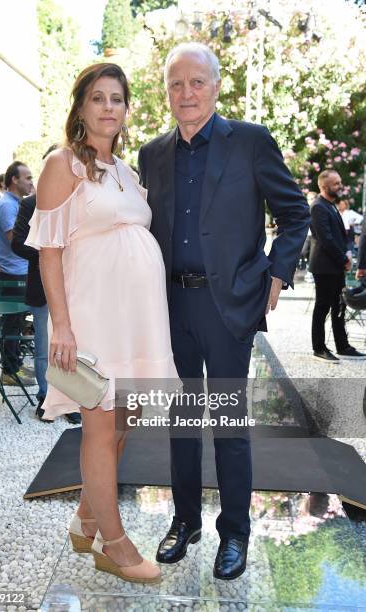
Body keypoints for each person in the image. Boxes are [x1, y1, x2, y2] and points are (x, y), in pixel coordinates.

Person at [138, 42, 310, 581]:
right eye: (175, 84)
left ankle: (234, 530)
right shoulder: (151, 154)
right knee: (182, 421)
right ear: (165, 91)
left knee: (230, 425)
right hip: (171, 305)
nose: (185, 94)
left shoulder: (252, 143)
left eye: (196, 83)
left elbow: (294, 212)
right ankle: (185, 520)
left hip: (230, 306)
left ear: (216, 86)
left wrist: (277, 274)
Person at [26, 63, 179, 584]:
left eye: (117, 98)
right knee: (99, 424)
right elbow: (50, 255)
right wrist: (62, 327)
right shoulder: (61, 164)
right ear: (81, 107)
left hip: (137, 320)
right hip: (91, 317)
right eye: (98, 98)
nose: (109, 107)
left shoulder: (125, 171)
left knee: (126, 418)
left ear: (126, 108)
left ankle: (86, 519)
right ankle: (112, 544)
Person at [11, 145, 81, 425]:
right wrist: (50, 252)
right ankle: (44, 397)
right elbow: (17, 242)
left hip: (77, 286)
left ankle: (73, 401)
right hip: (42, 288)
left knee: (76, 346)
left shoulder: (81, 199)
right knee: (44, 347)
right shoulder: (30, 203)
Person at [309, 170, 365, 361]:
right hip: (324, 267)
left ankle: (342, 345)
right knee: (322, 307)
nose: (340, 186)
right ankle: (319, 347)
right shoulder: (318, 206)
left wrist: (346, 255)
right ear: (324, 186)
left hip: (336, 265)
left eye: (340, 182)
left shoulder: (331, 206)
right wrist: (344, 259)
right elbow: (326, 239)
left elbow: (340, 236)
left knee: (339, 306)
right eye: (336, 184)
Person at [0, 161, 36, 386]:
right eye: (27, 178)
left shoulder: (14, 203)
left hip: (17, 270)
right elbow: (14, 241)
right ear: (14, 180)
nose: (31, 181)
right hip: (13, 273)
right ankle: (9, 371)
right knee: (12, 324)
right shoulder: (8, 205)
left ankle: (15, 366)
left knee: (17, 323)